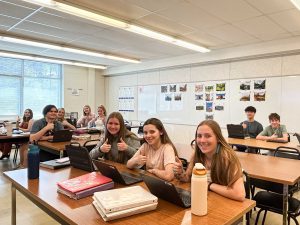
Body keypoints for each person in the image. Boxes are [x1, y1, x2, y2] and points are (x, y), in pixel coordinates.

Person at [173, 120, 245, 202]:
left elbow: (239, 194)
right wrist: (180, 172)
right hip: (209, 200)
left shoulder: (227, 157)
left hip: (227, 205)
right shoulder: (197, 155)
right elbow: (188, 178)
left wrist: (208, 185)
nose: (202, 140)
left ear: (218, 138)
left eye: (207, 136)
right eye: (199, 136)